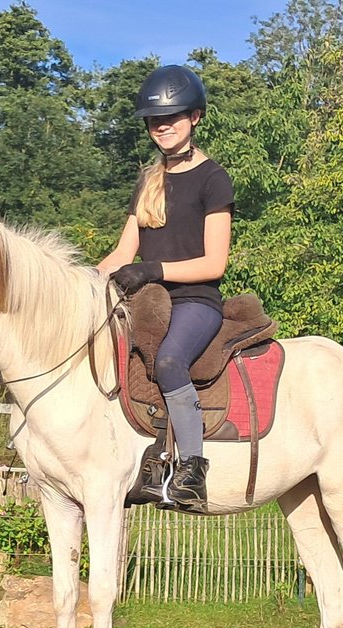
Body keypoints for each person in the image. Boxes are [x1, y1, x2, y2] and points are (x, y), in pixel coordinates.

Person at [98, 64, 234, 514]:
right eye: (156, 120)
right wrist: (86, 281)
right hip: (146, 300)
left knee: (170, 359)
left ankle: (191, 469)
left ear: (195, 117)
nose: (163, 126)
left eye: (173, 116)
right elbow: (122, 253)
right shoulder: (147, 180)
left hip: (196, 301)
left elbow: (216, 263)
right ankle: (134, 460)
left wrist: (153, 269)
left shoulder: (214, 179)